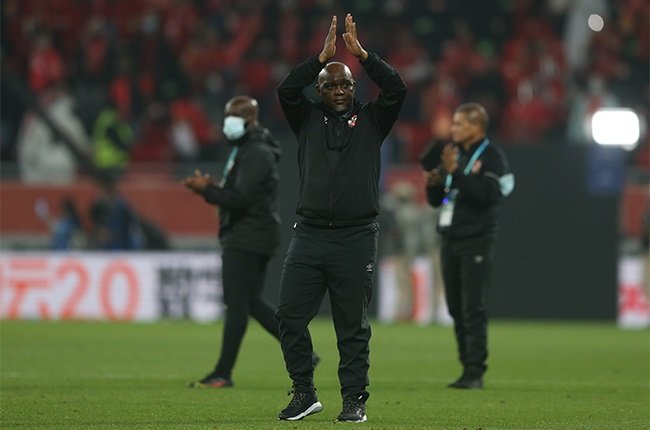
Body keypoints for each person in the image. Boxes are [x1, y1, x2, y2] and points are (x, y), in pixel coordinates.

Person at [275, 14, 406, 422]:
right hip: (309, 235)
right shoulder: (306, 118)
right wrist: (320, 59)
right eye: (329, 85)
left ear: (354, 87)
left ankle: (354, 401)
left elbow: (397, 87)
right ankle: (304, 392)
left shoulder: (373, 120)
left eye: (344, 84)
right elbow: (286, 88)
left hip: (355, 237)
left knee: (351, 328)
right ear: (319, 89)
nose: (337, 90)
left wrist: (365, 57)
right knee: (289, 317)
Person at [182, 95, 284, 388]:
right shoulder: (248, 149)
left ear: (251, 120)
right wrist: (211, 188)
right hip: (252, 233)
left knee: (236, 304)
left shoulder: (254, 152)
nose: (228, 123)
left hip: (248, 236)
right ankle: (302, 350)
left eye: (234, 117)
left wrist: (207, 191)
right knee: (251, 302)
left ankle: (222, 373)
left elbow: (241, 198)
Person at [422, 102, 514, 389]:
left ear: (477, 126)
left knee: (473, 306)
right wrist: (434, 182)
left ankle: (475, 371)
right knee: (455, 308)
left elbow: (488, 195)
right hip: (450, 238)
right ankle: (466, 367)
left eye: (460, 124)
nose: (454, 129)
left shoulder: (491, 157)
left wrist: (456, 173)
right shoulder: (455, 154)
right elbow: (437, 200)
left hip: (476, 238)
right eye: (454, 124)